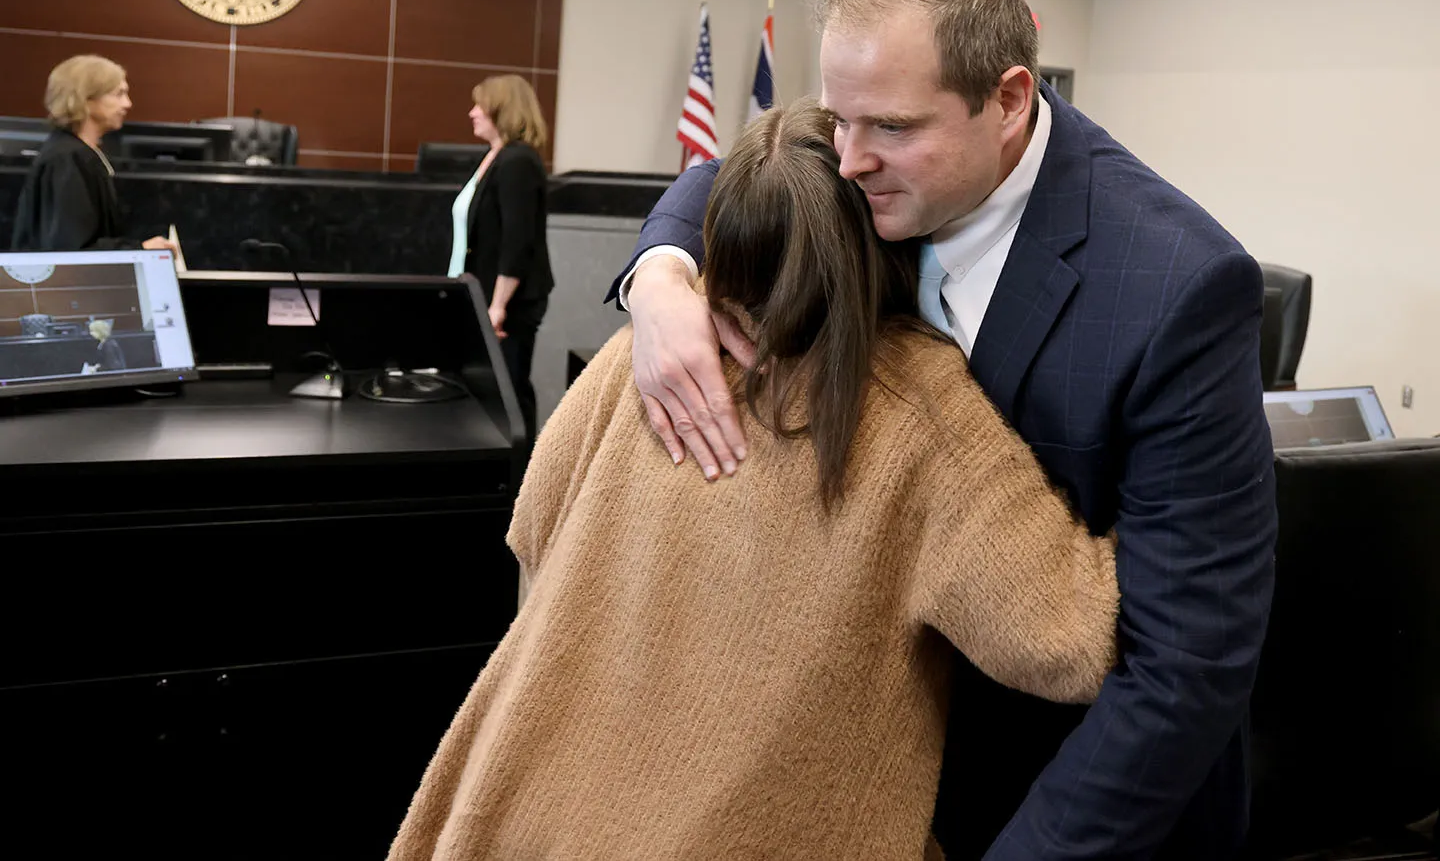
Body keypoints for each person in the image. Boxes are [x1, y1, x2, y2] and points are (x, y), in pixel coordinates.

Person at [609, 0, 1277, 860]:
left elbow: (1186, 670)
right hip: (889, 790)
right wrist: (658, 273)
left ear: (1007, 100)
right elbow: (723, 177)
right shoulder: (874, 164)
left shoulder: (1177, 290)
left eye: (886, 127)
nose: (847, 160)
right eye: (839, 120)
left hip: (1062, 806)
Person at [389, 99, 1120, 861]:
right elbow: (1068, 643)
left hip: (521, 811)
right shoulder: (922, 410)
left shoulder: (646, 352)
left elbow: (531, 531)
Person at [447, 74, 553, 440]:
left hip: (507, 305)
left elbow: (517, 242)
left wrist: (496, 306)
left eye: (481, 105)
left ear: (502, 110)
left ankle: (523, 483)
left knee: (509, 397)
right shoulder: (494, 158)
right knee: (488, 396)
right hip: (481, 296)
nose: (472, 112)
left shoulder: (518, 161)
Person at [11, 55, 178, 255]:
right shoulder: (67, 159)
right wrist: (140, 249)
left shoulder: (78, 154)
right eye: (119, 94)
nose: (128, 104)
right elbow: (72, 250)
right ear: (85, 99)